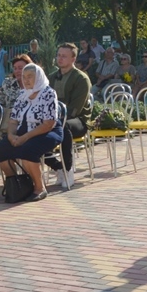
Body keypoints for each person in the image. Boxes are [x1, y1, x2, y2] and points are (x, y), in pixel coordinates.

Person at [0, 63, 63, 201]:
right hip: (23, 132)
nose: (26, 80)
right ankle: (17, 185)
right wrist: (11, 136)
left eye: (30, 77)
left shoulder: (48, 93)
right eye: (24, 77)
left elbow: (48, 123)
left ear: (38, 77)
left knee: (28, 150)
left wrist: (24, 138)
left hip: (45, 131)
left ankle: (40, 188)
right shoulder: (22, 94)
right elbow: (13, 120)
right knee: (2, 148)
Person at [47, 43, 91, 188]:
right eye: (58, 55)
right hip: (53, 119)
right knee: (31, 129)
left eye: (64, 56)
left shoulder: (81, 79)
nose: (60, 59)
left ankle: (68, 170)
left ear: (73, 59)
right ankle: (58, 167)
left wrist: (55, 121)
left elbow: (75, 109)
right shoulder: (51, 77)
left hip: (77, 121)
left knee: (63, 127)